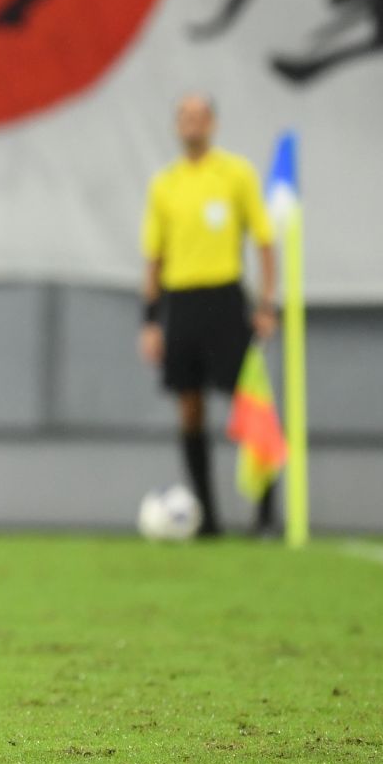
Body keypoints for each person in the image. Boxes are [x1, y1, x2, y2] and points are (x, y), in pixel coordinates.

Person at [138, 94, 278, 537]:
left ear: (212, 123)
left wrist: (267, 302)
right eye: (184, 116)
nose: (191, 123)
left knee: (250, 403)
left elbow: (264, 241)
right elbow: (154, 257)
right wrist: (150, 320)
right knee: (189, 406)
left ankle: (265, 512)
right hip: (181, 301)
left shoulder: (237, 174)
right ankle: (207, 518)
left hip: (225, 297)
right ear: (176, 126)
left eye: (199, 116)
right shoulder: (165, 184)